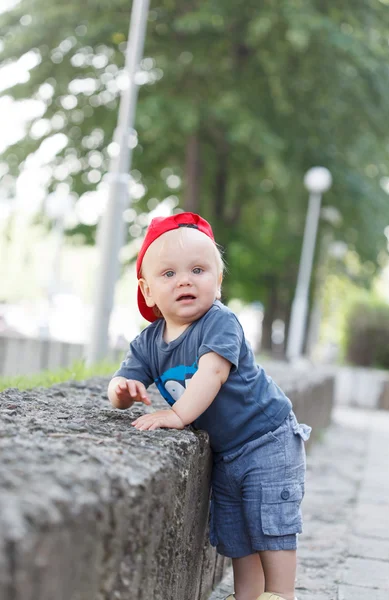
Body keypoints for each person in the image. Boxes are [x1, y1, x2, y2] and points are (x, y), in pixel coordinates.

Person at [108, 212, 311, 600]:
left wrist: (177, 415)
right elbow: (120, 381)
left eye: (198, 270)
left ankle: (282, 594)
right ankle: (247, 596)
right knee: (237, 535)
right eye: (168, 274)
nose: (185, 279)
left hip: (267, 439)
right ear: (147, 291)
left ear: (217, 283)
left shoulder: (220, 323)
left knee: (271, 525)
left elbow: (212, 374)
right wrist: (122, 391)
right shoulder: (148, 343)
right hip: (228, 452)